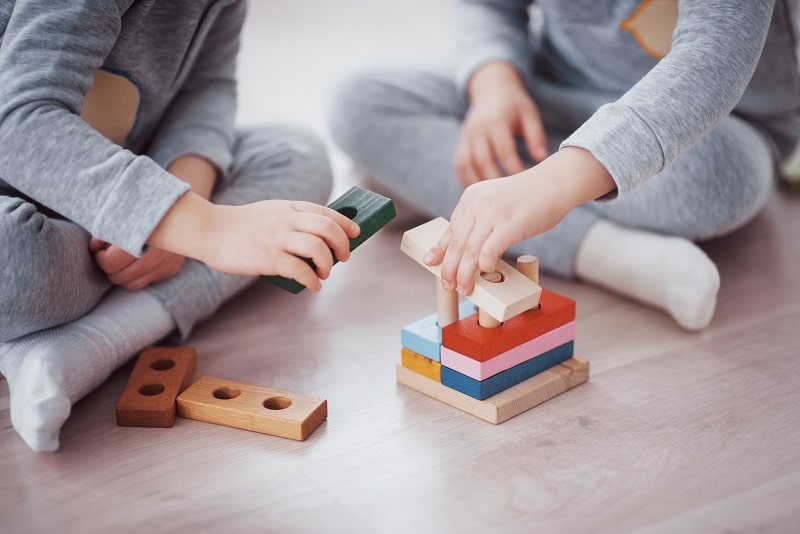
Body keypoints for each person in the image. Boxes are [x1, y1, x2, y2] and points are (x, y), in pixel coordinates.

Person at [0, 0, 360, 452]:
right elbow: (18, 123)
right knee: (13, 261)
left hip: (123, 185)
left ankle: (78, 343)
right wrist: (206, 229)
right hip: (16, 204)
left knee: (296, 153)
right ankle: (56, 334)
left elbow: (207, 88)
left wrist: (181, 198)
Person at [330, 0, 799, 331]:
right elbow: (489, 7)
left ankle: (451, 185)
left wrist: (554, 184)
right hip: (550, 90)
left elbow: (713, 58)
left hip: (714, 124)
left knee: (712, 183)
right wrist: (494, 81)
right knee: (360, 101)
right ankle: (602, 252)